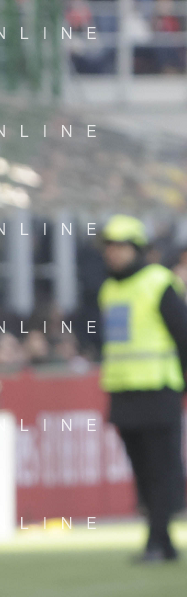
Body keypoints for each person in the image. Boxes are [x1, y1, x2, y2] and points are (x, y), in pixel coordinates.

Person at [97, 215, 187, 562]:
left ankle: (158, 540)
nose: (114, 253)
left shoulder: (158, 282)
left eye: (121, 247)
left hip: (158, 388)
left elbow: (182, 335)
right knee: (142, 471)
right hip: (124, 392)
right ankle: (160, 541)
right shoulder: (109, 290)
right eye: (110, 247)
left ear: (137, 249)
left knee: (161, 469)